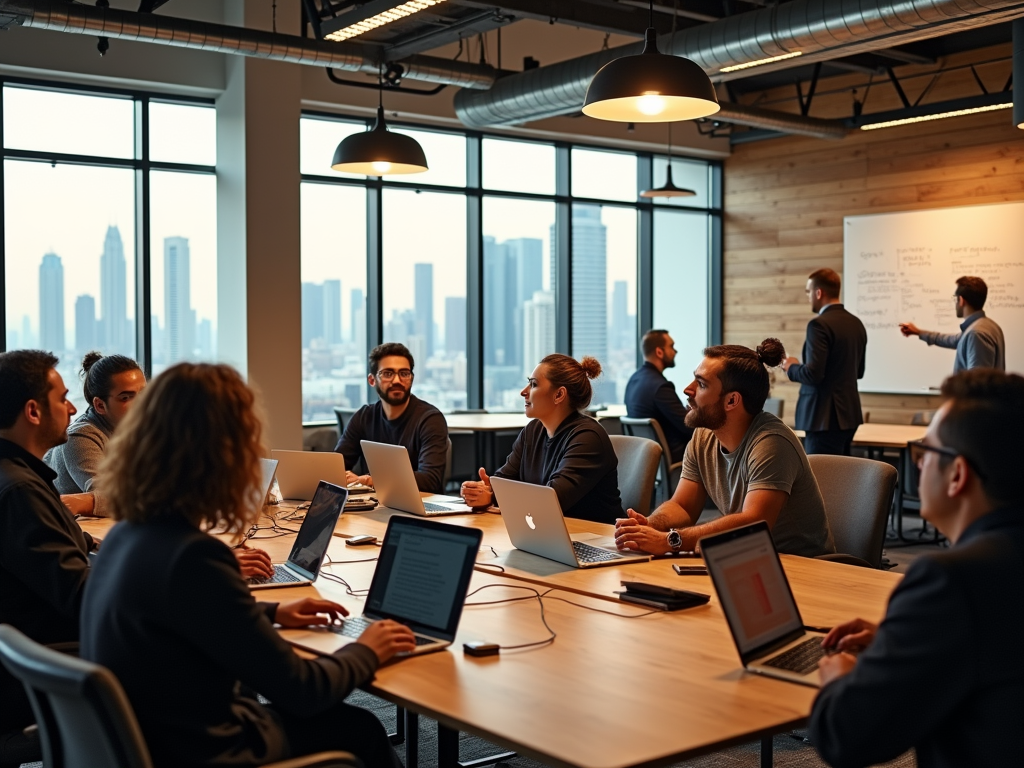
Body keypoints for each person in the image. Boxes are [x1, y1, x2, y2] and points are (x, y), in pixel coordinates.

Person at [81, 363, 416, 768]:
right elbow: (302, 690)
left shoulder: (127, 535)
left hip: (151, 740)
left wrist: (271, 611)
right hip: (205, 750)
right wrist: (367, 649)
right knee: (358, 728)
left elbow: (181, 613)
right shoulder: (194, 557)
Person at [809, 369, 1024, 768]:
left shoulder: (950, 580)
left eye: (926, 452)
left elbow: (846, 736)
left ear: (957, 474)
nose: (919, 464)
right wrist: (906, 640)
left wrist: (840, 677)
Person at [44, 352, 274, 581]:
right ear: (100, 405)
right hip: (92, 551)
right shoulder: (81, 436)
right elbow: (118, 496)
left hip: (130, 541)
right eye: (126, 397)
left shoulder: (141, 430)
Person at [614, 340, 834, 557]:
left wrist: (671, 540)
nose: (687, 389)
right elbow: (683, 506)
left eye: (701, 384)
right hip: (745, 559)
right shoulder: (703, 436)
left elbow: (754, 522)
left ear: (731, 401)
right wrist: (651, 525)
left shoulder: (772, 442)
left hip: (801, 567)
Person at [0, 350, 93, 741]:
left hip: (36, 654)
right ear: (34, 412)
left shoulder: (20, 478)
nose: (72, 408)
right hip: (46, 670)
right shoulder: (20, 491)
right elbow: (82, 596)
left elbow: (80, 543)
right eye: (63, 398)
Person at [461, 354, 623, 524]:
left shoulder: (588, 438)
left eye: (533, 384)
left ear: (559, 394)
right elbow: (504, 481)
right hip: (550, 533)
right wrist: (484, 492)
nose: (523, 392)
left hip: (596, 539)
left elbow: (551, 500)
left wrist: (494, 496)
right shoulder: (533, 430)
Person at [335, 342, 448, 493]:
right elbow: (335, 467)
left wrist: (368, 480)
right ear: (372, 380)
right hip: (373, 508)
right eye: (388, 373)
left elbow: (430, 480)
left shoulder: (430, 420)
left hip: (420, 510)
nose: (397, 380)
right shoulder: (364, 417)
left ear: (411, 379)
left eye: (404, 373)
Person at [781, 269, 867, 456]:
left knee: (823, 480)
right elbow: (859, 372)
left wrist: (790, 367)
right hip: (849, 416)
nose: (808, 296)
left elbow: (813, 374)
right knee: (842, 478)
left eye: (808, 292)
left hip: (822, 419)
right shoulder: (856, 324)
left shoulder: (818, 325)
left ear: (818, 293)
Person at [899, 275, 1005, 373]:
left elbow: (978, 384)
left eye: (955, 298)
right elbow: (950, 340)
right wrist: (917, 332)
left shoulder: (976, 333)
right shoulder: (989, 326)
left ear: (961, 300)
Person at [624, 329, 694, 463]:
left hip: (644, 460)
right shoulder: (661, 387)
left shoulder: (633, 380)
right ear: (659, 352)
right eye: (671, 346)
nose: (675, 351)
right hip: (673, 460)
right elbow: (689, 427)